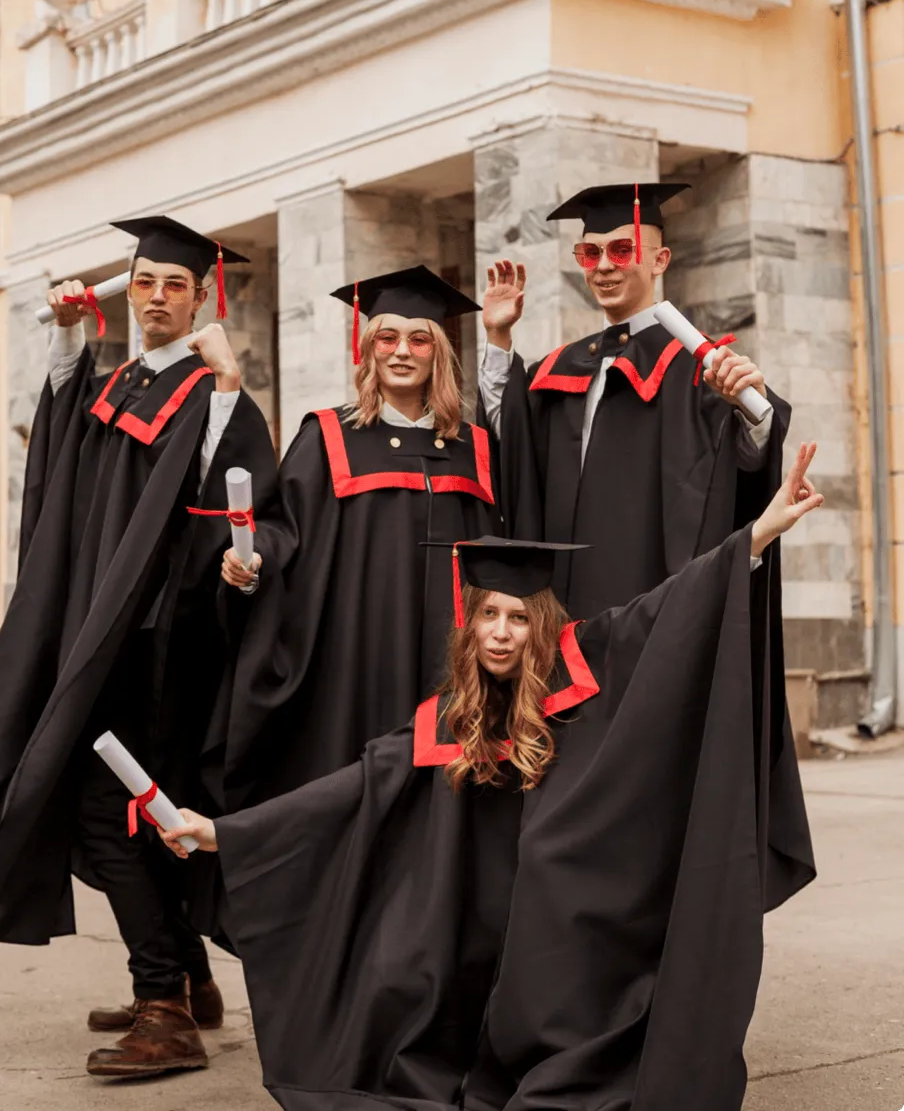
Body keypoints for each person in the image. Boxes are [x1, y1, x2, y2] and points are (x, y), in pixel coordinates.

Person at [162, 444, 821, 1111]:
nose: (502, 633)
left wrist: (760, 532)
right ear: (467, 619)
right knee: (400, 966)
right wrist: (221, 832)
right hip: (480, 930)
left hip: (579, 925)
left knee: (549, 863)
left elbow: (673, 607)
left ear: (542, 621)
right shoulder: (454, 713)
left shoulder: (590, 657)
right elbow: (357, 788)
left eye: (519, 616)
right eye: (488, 614)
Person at [0, 215, 278, 1080]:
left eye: (174, 285)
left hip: (158, 644)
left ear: (202, 298)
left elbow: (234, 499)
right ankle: (187, 979)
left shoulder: (209, 391)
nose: (156, 297)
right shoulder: (117, 384)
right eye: (144, 281)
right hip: (100, 635)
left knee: (108, 809)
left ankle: (165, 1004)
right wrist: (71, 333)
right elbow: (61, 462)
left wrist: (229, 379)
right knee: (137, 811)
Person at [208, 265, 499, 811]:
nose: (402, 352)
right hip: (356, 652)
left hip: (452, 654)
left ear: (439, 351)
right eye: (387, 338)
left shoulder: (473, 448)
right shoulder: (329, 436)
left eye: (419, 339)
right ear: (366, 348)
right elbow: (283, 529)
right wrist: (250, 561)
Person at [478, 182, 788, 620]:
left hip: (648, 606)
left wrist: (750, 411)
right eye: (590, 253)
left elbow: (743, 468)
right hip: (557, 611)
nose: (604, 266)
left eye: (621, 250)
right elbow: (511, 448)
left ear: (660, 260)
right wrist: (498, 338)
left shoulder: (698, 363)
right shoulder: (560, 366)